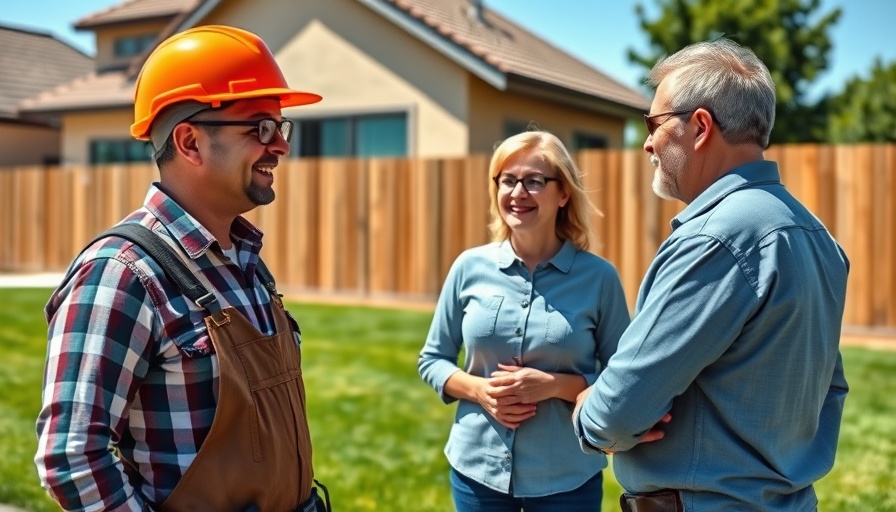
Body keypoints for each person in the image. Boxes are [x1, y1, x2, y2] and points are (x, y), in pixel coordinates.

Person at [35, 25, 329, 511]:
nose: (280, 145)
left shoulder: (242, 260)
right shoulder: (124, 273)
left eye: (282, 128)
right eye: (260, 127)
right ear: (190, 142)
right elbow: (72, 456)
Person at [573, 38, 850, 511]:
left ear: (700, 127)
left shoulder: (714, 240)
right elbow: (830, 388)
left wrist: (586, 408)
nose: (646, 143)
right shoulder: (816, 236)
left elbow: (616, 413)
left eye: (653, 124)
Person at [418, 130, 631, 511]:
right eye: (508, 180)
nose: (518, 192)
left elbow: (624, 377)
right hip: (476, 474)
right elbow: (432, 359)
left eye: (534, 181)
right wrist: (479, 390)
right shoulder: (469, 267)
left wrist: (553, 385)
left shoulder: (599, 279)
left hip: (568, 478)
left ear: (563, 193)